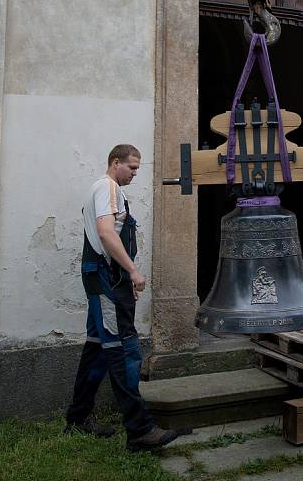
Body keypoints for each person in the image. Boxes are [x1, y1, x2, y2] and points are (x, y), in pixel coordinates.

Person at [65, 144, 181, 451]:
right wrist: (131, 271)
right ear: (115, 162)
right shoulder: (108, 188)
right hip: (106, 277)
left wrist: (122, 273)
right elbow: (106, 232)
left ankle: (77, 419)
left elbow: (109, 233)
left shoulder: (105, 189)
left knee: (97, 347)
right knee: (122, 349)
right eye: (131, 167)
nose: (134, 173)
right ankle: (140, 430)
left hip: (105, 276)